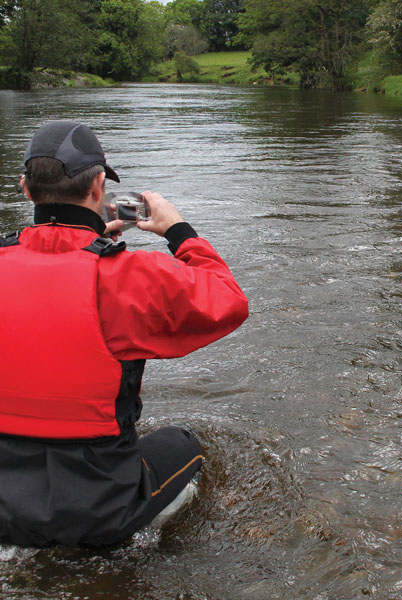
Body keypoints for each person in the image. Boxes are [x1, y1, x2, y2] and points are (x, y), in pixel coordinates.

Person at [0, 121, 249, 548]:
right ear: (99, 186)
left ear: (26, 189)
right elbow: (228, 300)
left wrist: (87, 243)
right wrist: (177, 230)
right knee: (184, 443)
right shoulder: (127, 276)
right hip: (99, 511)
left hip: (4, 505)